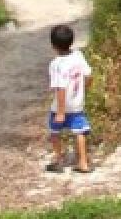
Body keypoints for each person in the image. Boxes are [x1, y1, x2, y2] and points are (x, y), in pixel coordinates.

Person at [45, 24, 92, 173]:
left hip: (60, 106)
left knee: (54, 132)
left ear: (53, 45)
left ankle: (59, 161)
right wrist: (85, 90)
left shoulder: (56, 64)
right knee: (80, 132)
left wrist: (60, 112)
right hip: (77, 104)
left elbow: (60, 88)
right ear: (71, 41)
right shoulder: (78, 56)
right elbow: (89, 75)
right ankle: (83, 163)